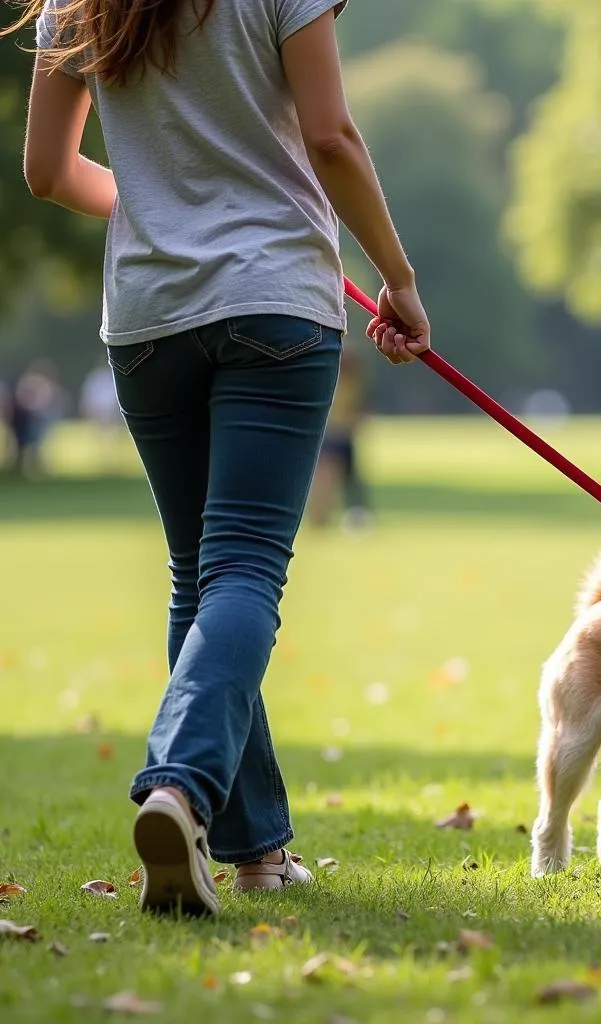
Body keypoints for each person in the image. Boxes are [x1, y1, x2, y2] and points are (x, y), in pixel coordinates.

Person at [9, 0, 430, 916]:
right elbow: (333, 139)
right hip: (274, 298)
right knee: (241, 570)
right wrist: (397, 280)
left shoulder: (72, 4)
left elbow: (45, 173)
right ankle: (181, 788)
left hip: (151, 316)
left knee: (199, 578)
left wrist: (166, 207)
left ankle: (255, 853)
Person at [309, 344, 371, 529]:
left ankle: (356, 515)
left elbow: (359, 410)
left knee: (352, 480)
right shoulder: (330, 382)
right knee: (326, 479)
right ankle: (320, 517)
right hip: (331, 437)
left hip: (346, 437)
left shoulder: (355, 384)